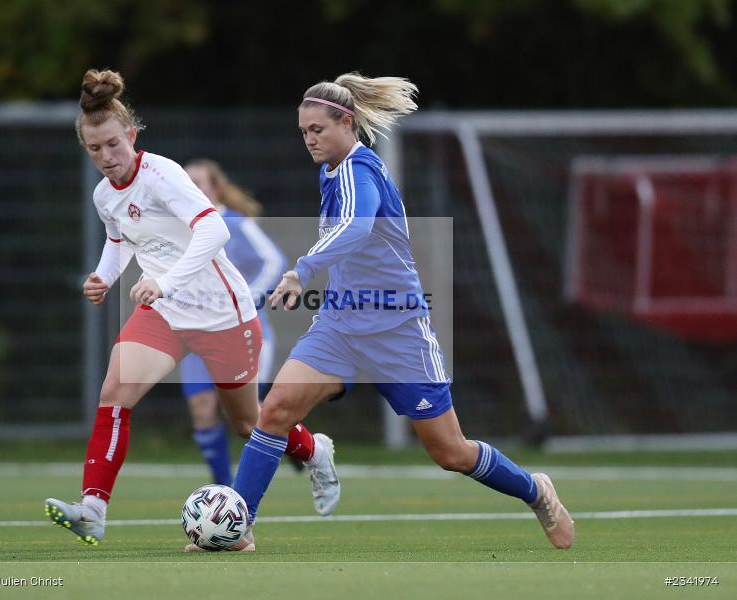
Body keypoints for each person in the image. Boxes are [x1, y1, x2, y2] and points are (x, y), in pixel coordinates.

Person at [200, 73, 574, 552]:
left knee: (450, 452)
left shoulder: (360, 169)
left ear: (347, 122)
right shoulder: (331, 170)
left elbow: (355, 228)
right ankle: (239, 528)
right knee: (274, 410)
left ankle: (536, 490)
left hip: (398, 330)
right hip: (340, 325)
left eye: (317, 130)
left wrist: (303, 269)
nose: (310, 139)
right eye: (304, 132)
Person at [45, 69, 339, 547]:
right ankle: (93, 509)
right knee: (114, 392)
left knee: (249, 423)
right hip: (165, 315)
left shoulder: (163, 174)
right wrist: (105, 276)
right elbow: (119, 241)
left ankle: (315, 450)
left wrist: (164, 281)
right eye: (94, 149)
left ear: (132, 135)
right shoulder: (104, 194)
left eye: (113, 145)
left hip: (224, 315)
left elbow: (214, 231)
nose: (105, 157)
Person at [180, 159, 292, 487]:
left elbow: (274, 261)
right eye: (186, 183)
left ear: (215, 188)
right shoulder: (177, 228)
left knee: (249, 419)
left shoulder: (234, 223)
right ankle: (224, 490)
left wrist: (247, 298)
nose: (192, 188)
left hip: (243, 335)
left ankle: (303, 449)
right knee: (202, 409)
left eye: (198, 182)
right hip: (198, 337)